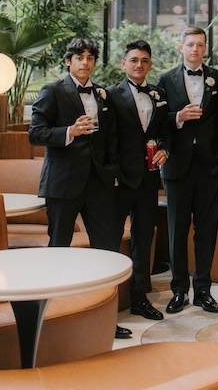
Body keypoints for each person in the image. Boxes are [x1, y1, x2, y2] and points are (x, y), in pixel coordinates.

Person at [28, 37, 131, 339]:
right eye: (79, 57)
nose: (85, 62)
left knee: (107, 250)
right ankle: (54, 319)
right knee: (59, 248)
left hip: (98, 183)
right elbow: (36, 133)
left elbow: (110, 136)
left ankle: (105, 321)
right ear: (68, 61)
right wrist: (69, 131)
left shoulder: (101, 93)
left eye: (90, 57)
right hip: (63, 182)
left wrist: (110, 171)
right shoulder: (53, 90)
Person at [157, 27, 218, 315]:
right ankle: (178, 291)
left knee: (207, 230)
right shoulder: (165, 79)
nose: (195, 49)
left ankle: (203, 290)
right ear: (181, 47)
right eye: (190, 44)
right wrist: (178, 117)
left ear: (205, 48)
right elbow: (158, 120)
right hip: (177, 166)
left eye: (200, 45)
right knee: (177, 230)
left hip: (211, 165)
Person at [106, 39, 171, 322]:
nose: (139, 65)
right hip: (120, 180)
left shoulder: (158, 93)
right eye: (134, 60)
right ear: (124, 64)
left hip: (148, 179)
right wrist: (113, 175)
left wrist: (166, 150)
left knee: (143, 240)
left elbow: (166, 130)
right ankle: (106, 303)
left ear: (150, 65)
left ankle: (139, 298)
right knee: (110, 241)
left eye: (144, 60)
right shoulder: (109, 95)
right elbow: (106, 140)